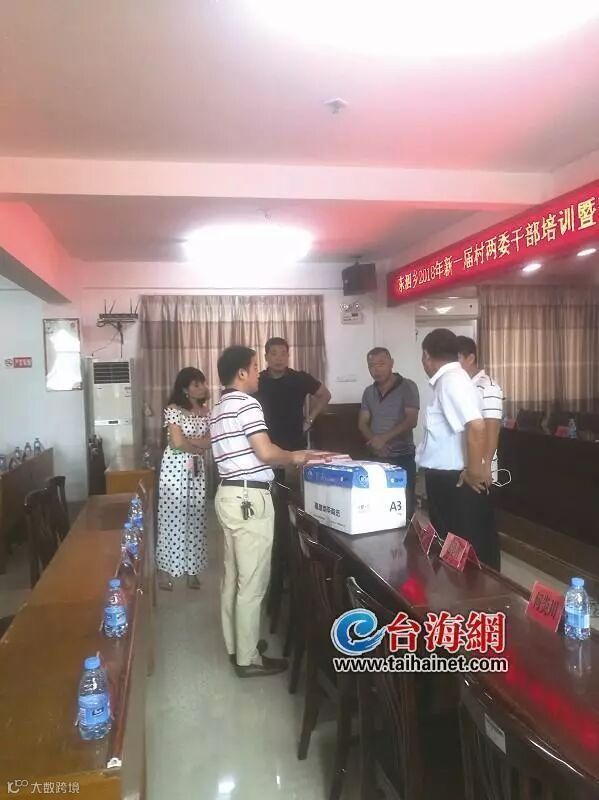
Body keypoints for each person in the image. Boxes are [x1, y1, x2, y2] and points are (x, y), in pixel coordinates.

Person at [210, 345, 310, 678]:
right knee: (252, 582)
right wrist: (295, 456)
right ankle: (248, 658)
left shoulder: (219, 407)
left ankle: (237, 645)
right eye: (254, 367)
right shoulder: (247, 404)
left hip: (228, 495)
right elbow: (265, 452)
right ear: (241, 373)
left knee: (233, 577)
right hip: (249, 499)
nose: (258, 373)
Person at [417, 329, 500, 570]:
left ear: (426, 355)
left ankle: (472, 590)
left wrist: (474, 471)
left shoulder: (451, 381)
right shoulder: (453, 379)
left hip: (454, 479)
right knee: (455, 545)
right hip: (449, 477)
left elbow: (476, 425)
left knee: (463, 546)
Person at [156, 367, 211, 591]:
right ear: (185, 389)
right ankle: (166, 571)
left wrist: (190, 442)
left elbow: (209, 442)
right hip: (174, 469)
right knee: (172, 517)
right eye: (196, 384)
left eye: (202, 383)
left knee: (196, 516)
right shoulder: (173, 409)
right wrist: (195, 445)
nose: (202, 388)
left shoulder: (206, 411)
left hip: (196, 469)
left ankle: (192, 570)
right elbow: (176, 444)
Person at [358, 347, 420, 518]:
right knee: (377, 507)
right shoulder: (369, 392)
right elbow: (362, 423)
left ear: (391, 363)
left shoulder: (408, 386)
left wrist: (383, 439)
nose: (376, 370)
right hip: (375, 458)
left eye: (381, 364)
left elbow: (411, 420)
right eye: (371, 366)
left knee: (404, 507)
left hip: (402, 457)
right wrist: (375, 442)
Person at [257, 337, 331, 452]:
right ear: (266, 357)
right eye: (274, 354)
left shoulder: (300, 378)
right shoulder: (258, 380)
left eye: (283, 354)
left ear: (288, 356)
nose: (279, 358)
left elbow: (325, 395)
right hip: (265, 441)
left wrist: (310, 420)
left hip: (295, 441)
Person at [456, 336, 504, 485]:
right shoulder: (461, 386)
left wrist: (485, 465)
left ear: (470, 358)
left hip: (479, 470)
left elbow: (492, 430)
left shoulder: (488, 387)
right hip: (462, 466)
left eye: (456, 359)